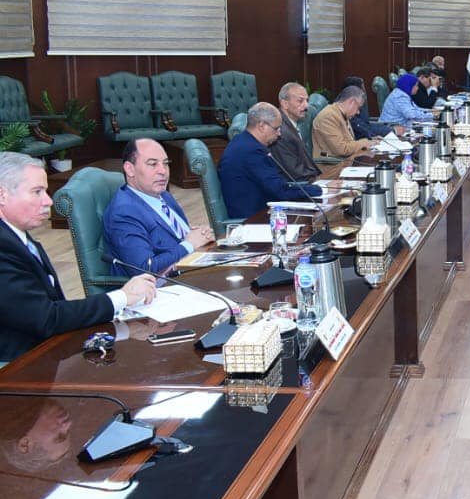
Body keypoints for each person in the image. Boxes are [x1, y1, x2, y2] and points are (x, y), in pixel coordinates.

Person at [0, 152, 156, 362]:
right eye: (37, 192)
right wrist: (122, 297)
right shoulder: (3, 246)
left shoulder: (16, 235)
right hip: (17, 367)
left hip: (45, 351)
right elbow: (47, 319)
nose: (48, 201)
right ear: (2, 195)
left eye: (46, 191)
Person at [102, 138, 216, 277]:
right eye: (153, 164)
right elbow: (144, 269)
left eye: (166, 164)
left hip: (192, 269)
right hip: (162, 286)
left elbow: (177, 238)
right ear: (130, 169)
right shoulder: (124, 213)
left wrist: (200, 235)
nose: (163, 171)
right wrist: (189, 244)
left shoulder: (164, 196)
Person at [219, 103, 324, 220]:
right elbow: (280, 191)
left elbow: (276, 186)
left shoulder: (244, 142)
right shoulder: (251, 152)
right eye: (276, 128)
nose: (279, 133)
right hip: (255, 219)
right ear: (262, 126)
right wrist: (319, 189)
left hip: (264, 209)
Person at [271, 82, 321, 182]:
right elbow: (294, 173)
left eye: (307, 100)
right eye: (300, 101)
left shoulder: (289, 123)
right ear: (285, 104)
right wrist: (320, 183)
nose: (306, 106)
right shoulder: (280, 131)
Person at [313, 85, 377, 159]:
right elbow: (342, 149)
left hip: (345, 160)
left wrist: (369, 142)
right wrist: (364, 142)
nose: (358, 112)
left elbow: (348, 142)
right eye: (358, 107)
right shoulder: (328, 116)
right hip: (332, 164)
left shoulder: (341, 114)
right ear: (352, 102)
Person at [342, 76, 393, 140]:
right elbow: (363, 129)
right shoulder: (349, 108)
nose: (364, 93)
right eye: (363, 89)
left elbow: (366, 125)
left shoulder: (355, 104)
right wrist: (391, 130)